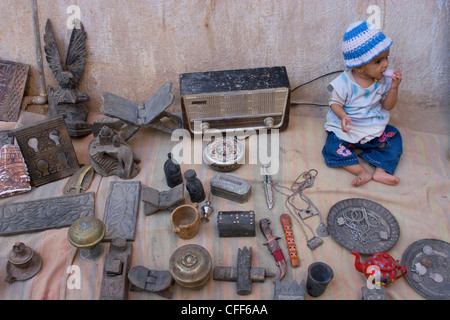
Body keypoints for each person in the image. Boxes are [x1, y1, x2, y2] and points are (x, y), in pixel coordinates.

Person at [322, 21, 403, 187]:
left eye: (386, 58)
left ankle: (381, 170)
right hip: (347, 129)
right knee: (332, 146)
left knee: (394, 136)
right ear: (359, 68)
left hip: (371, 126)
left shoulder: (383, 81)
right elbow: (335, 103)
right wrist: (342, 116)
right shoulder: (345, 82)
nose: (386, 64)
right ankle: (360, 171)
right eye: (378, 61)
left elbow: (387, 106)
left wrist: (394, 88)